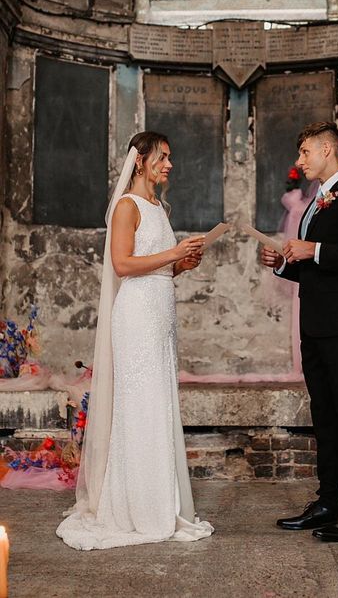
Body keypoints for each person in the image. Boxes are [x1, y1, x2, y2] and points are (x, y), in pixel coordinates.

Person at [57, 132, 214, 550]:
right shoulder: (126, 206)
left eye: (170, 158)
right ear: (140, 160)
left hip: (160, 316)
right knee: (139, 407)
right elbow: (124, 264)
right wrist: (173, 253)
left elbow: (159, 269)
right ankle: (136, 509)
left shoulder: (159, 207)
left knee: (158, 406)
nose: (169, 165)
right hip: (136, 316)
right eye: (163, 157)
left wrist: (182, 263)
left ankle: (161, 503)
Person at [261, 121, 338, 542]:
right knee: (325, 417)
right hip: (314, 327)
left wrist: (311, 249)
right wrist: (282, 262)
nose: (299, 162)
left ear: (328, 151)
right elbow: (318, 272)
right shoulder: (316, 203)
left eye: (305, 153)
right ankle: (329, 499)